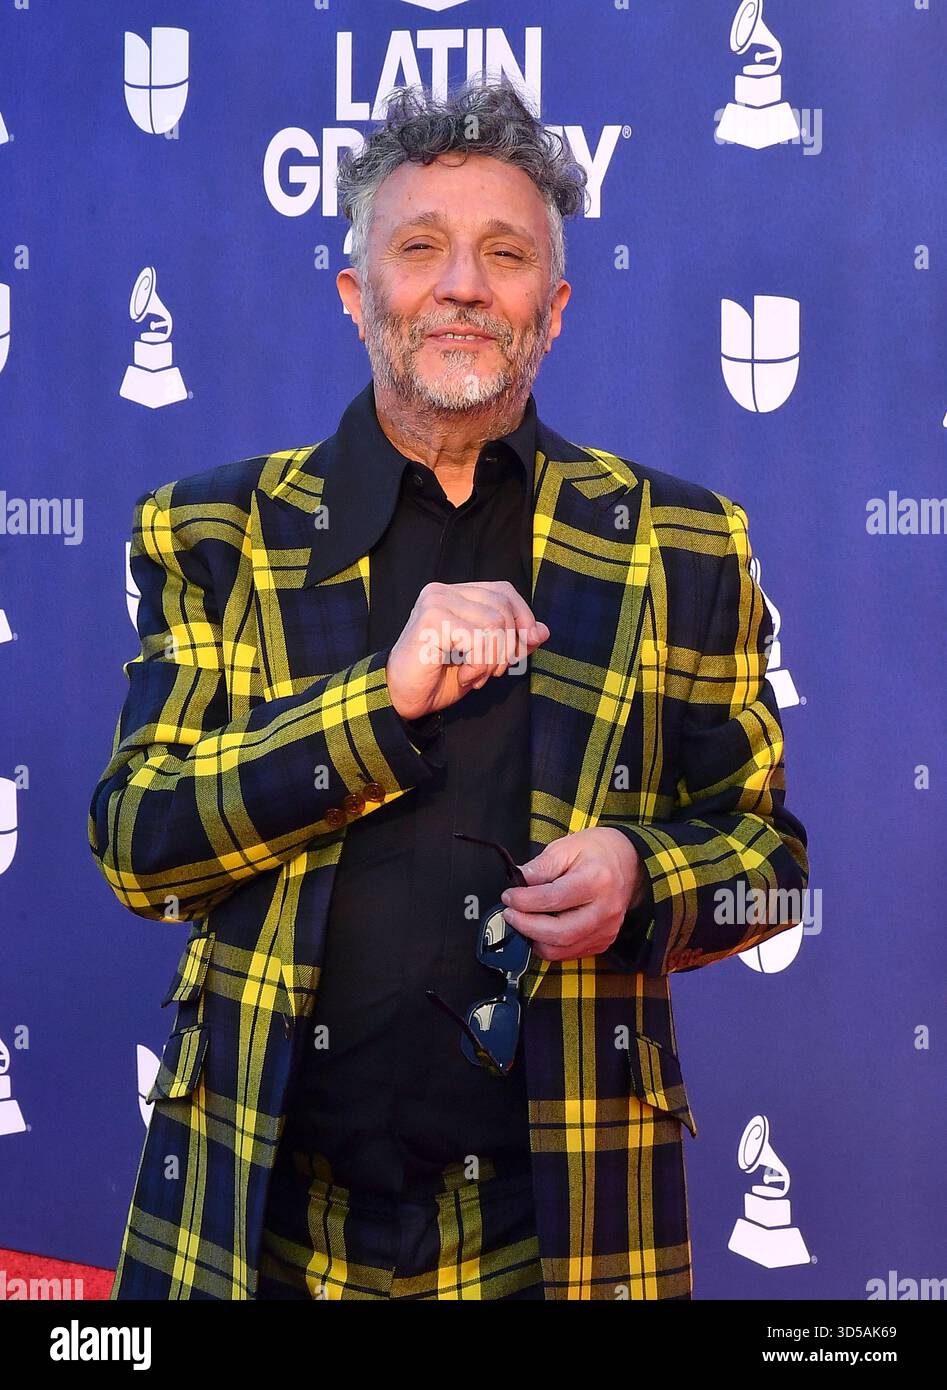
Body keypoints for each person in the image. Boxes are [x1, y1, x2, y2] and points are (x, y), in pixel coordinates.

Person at [88, 75, 809, 1301]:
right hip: (257, 1223)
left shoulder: (682, 540)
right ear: (356, 295)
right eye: (419, 248)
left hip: (569, 1228)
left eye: (504, 252)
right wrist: (374, 704)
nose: (462, 283)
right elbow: (138, 843)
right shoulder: (211, 529)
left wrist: (644, 877)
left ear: (555, 305)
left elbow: (773, 867)